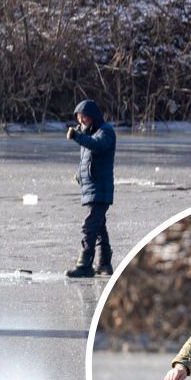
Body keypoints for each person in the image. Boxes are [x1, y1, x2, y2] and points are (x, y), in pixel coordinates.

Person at [65, 99, 115, 278]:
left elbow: (98, 146)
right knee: (99, 228)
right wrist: (79, 175)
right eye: (79, 118)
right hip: (92, 188)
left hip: (100, 190)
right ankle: (104, 264)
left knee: (89, 226)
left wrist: (78, 137)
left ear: (92, 116)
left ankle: (84, 265)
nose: (81, 121)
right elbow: (87, 161)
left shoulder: (105, 132)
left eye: (84, 117)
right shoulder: (89, 134)